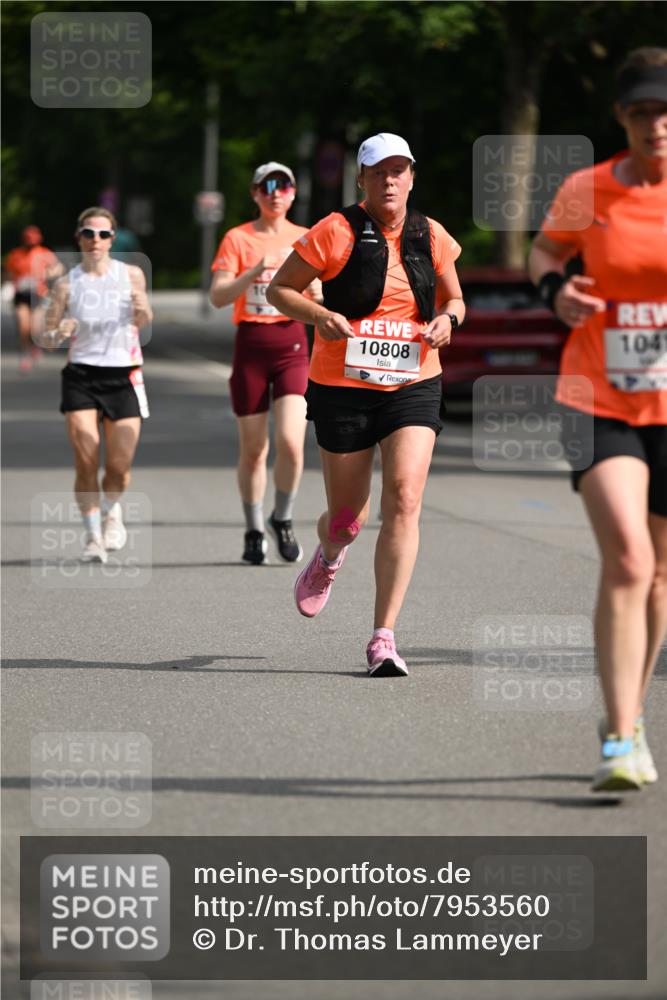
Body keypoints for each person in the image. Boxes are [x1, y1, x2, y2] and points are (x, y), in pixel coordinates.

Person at [267, 133, 464, 676]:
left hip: (414, 380)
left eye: (399, 170)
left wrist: (448, 321)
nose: (390, 180)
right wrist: (318, 316)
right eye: (379, 172)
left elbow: (455, 298)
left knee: (403, 497)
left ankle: (384, 637)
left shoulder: (432, 234)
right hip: (343, 386)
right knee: (348, 519)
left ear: (412, 177)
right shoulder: (334, 230)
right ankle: (329, 556)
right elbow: (280, 289)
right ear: (362, 179)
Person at [528, 47, 667, 792]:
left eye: (666, 111)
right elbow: (543, 251)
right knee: (628, 558)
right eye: (643, 111)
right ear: (621, 116)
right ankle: (617, 739)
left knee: (659, 577)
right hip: (596, 394)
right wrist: (556, 292)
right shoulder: (587, 189)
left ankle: (630, 713)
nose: (657, 124)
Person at [210, 161, 320, 565]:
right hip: (251, 344)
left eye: (284, 185)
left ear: (292, 194)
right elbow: (218, 297)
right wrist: (254, 273)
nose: (275, 192)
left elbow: (319, 295)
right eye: (266, 186)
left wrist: (317, 295)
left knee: (292, 443)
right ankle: (254, 528)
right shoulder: (237, 238)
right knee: (254, 449)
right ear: (255, 193)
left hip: (291, 343)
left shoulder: (306, 237)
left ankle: (284, 517)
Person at [37, 207, 153, 564]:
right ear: (79, 237)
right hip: (82, 376)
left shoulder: (132, 275)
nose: (96, 240)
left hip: (124, 374)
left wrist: (143, 308)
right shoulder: (67, 283)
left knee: (119, 467)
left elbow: (145, 322)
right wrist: (60, 331)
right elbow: (46, 334)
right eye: (89, 233)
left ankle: (111, 510)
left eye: (103, 234)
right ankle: (92, 538)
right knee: (86, 456)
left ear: (113, 239)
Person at [3, 225, 63, 372]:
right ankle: (25, 355)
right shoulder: (16, 255)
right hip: (22, 295)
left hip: (38, 294)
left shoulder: (44, 253)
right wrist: (11, 284)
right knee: (24, 326)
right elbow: (8, 273)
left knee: (34, 327)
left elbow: (58, 268)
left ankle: (35, 345)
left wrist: (47, 275)